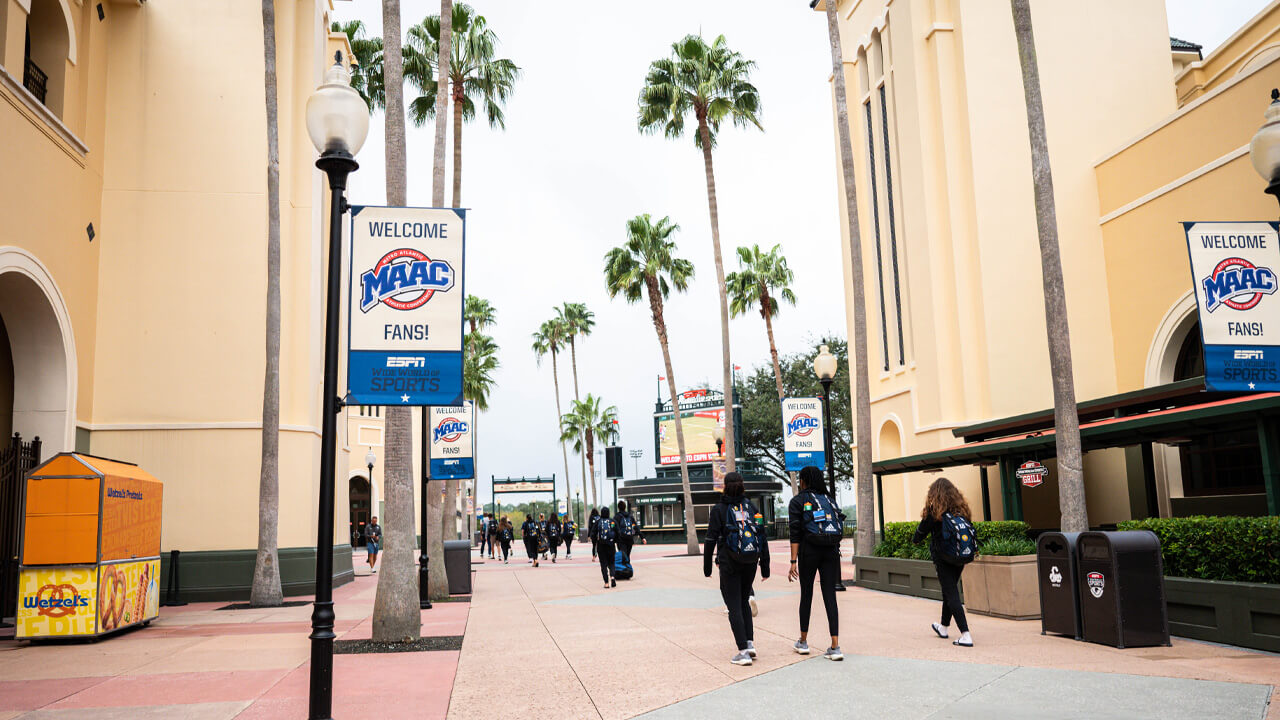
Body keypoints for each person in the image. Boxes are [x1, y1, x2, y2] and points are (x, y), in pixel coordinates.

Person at [704, 472, 770, 666]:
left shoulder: (719, 509)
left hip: (729, 563)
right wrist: (765, 567)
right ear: (743, 486)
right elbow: (762, 535)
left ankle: (742, 651)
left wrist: (707, 567)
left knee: (733, 604)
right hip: (750, 561)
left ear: (725, 486)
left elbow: (710, 539)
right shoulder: (751, 507)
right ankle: (749, 643)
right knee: (743, 601)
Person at [787, 466, 843, 661]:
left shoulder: (798, 501)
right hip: (831, 551)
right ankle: (835, 646)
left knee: (807, 594)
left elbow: (795, 533)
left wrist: (793, 561)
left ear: (803, 481)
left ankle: (803, 641)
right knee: (830, 595)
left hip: (808, 551)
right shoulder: (830, 500)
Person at [913, 477, 975, 648]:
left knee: (952, 594)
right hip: (961, 556)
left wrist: (917, 537)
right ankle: (944, 627)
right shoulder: (962, 510)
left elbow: (918, 536)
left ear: (934, 494)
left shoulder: (935, 513)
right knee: (949, 591)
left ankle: (966, 634)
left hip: (944, 558)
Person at [590, 506, 617, 588]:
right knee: (611, 563)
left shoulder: (598, 522)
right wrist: (614, 541)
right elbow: (618, 532)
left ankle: (606, 583)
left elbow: (593, 534)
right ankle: (612, 577)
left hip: (601, 546)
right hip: (611, 545)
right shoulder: (612, 521)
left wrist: (595, 543)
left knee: (603, 564)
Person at [614, 500, 645, 567]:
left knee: (623, 555)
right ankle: (627, 569)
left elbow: (614, 528)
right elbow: (635, 526)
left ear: (618, 507)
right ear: (625, 507)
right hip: (630, 539)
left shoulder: (617, 517)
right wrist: (642, 537)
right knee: (627, 555)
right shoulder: (630, 516)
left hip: (621, 540)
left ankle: (625, 570)